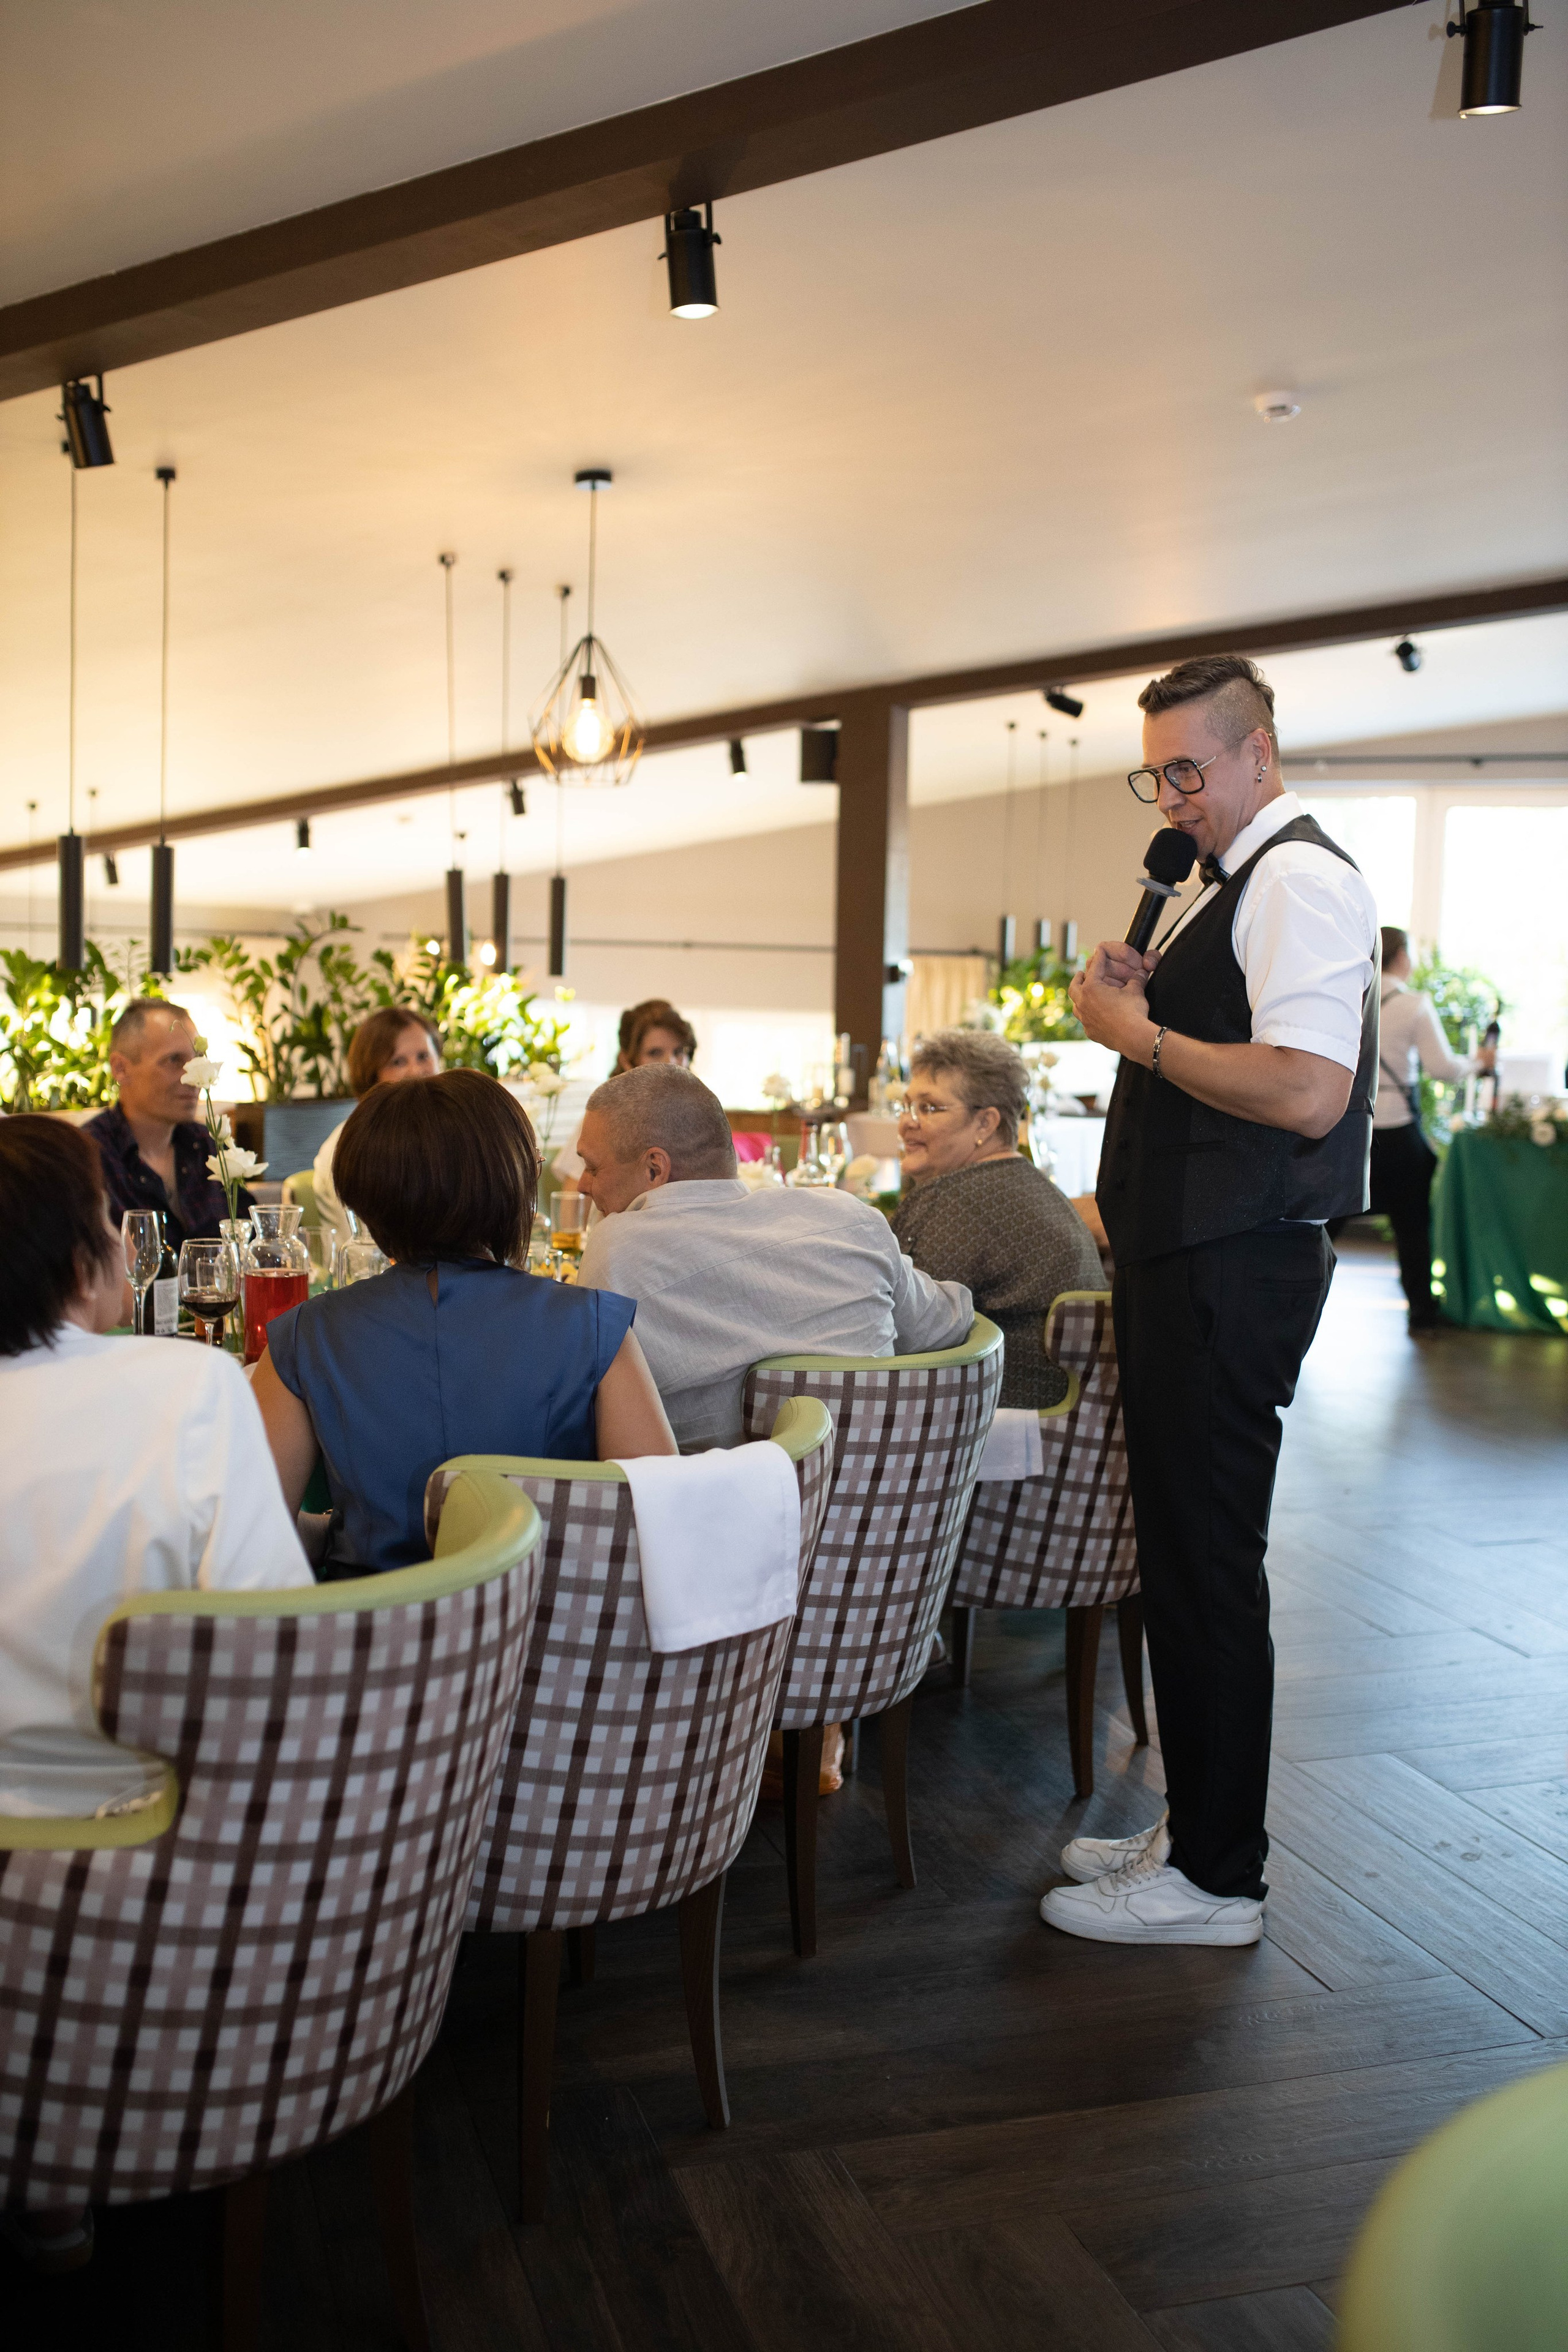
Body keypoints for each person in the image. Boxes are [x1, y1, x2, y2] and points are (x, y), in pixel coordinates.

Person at [1042, 653, 1378, 1950]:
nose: (1172, 794)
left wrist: (1139, 1035)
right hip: (1192, 1259)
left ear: (1257, 753)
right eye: (1156, 773)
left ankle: (1218, 1880)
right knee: (1183, 1557)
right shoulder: (1232, 884)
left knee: (1206, 1564)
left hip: (1230, 1266)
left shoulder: (1297, 880)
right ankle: (1197, 1827)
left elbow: (1307, 1091)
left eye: (1188, 767)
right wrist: (1142, 1000)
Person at [254, 1069, 674, 1574]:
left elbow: (253, 1536)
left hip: (369, 1618)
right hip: (536, 1615)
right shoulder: (596, 1327)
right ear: (512, 1190)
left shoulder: (303, 1338)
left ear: (365, 1198)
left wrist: (335, 1531)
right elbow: (661, 1520)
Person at [575, 1065, 973, 1449]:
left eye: (592, 1167)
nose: (581, 1184)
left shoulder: (617, 1251)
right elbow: (949, 1323)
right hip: (881, 1488)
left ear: (654, 1169)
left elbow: (581, 1412)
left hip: (724, 1493)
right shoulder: (850, 1221)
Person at [892, 1030, 1104, 1407]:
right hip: (1070, 1419)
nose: (906, 1123)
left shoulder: (953, 1200)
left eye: (929, 1108)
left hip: (998, 1421)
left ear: (985, 1124)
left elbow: (896, 1326)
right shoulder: (1034, 1187)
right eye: (907, 1106)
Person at [1357, 925, 1491, 1334]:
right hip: (1398, 1130)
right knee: (1413, 1225)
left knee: (1327, 1222)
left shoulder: (1352, 997)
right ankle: (1422, 1314)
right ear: (1401, 957)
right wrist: (1479, 1062)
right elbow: (1443, 1069)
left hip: (1354, 1127)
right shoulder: (1414, 1004)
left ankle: (1291, 1306)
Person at [86, 997, 247, 1245]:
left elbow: (250, 1236)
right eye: (174, 1060)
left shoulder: (206, 1144)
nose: (194, 1077)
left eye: (197, 1060)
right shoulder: (89, 1156)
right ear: (121, 1069)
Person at [313, 1006, 442, 1242]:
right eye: (398, 1062)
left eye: (423, 1057)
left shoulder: (451, 1131)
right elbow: (367, 1247)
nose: (416, 1071)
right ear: (370, 1075)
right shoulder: (350, 1145)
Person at [551, 996, 698, 1190]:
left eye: (679, 1052)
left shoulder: (701, 1120)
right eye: (655, 1053)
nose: (671, 1063)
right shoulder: (602, 1121)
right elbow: (573, 1202)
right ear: (628, 1061)